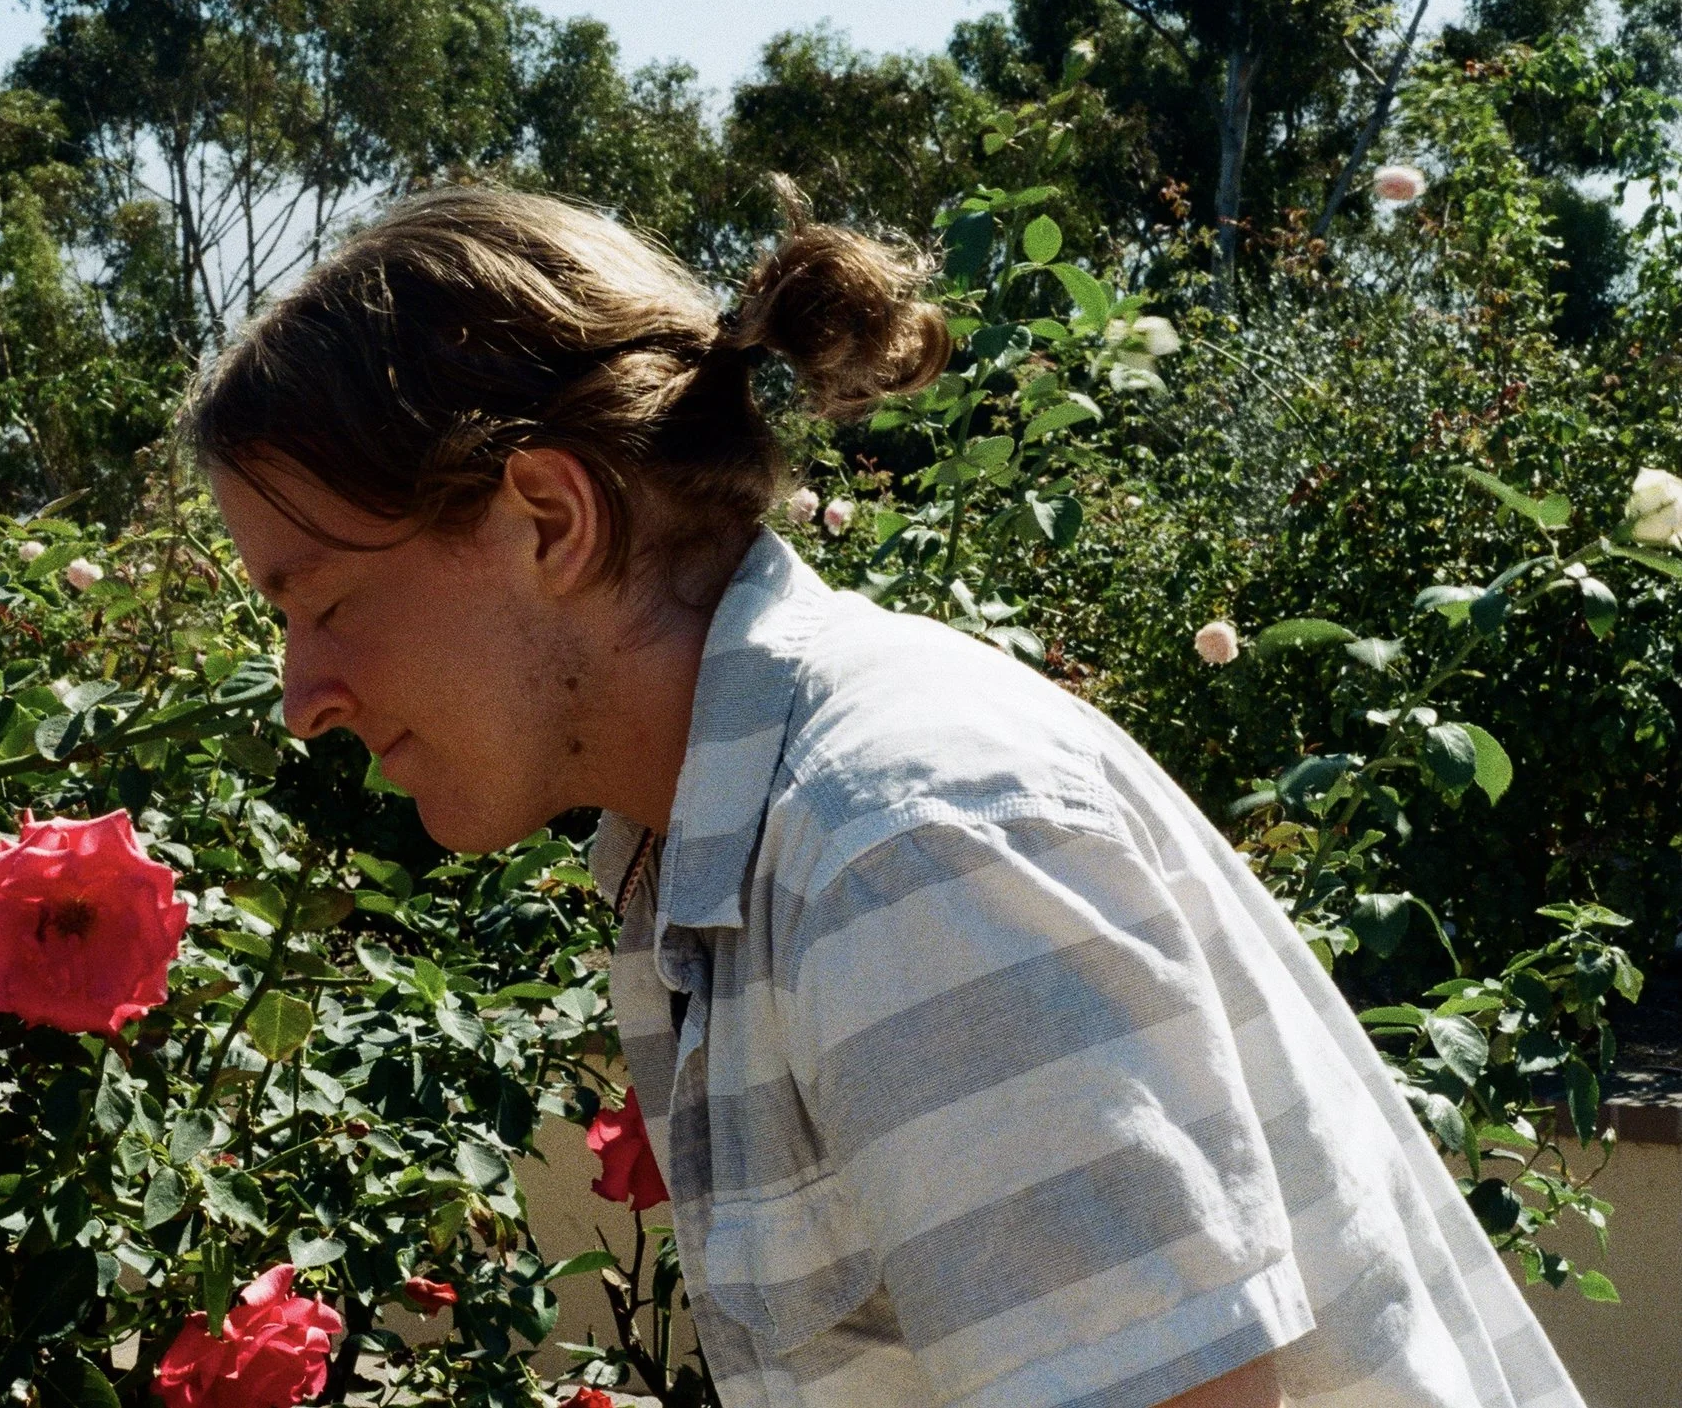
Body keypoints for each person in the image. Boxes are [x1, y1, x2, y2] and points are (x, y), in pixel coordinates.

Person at [182, 186, 1583, 1408]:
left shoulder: (896, 846)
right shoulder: (712, 854)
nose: (306, 699)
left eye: (324, 602)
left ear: (552, 518)